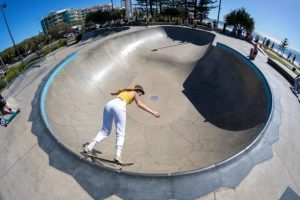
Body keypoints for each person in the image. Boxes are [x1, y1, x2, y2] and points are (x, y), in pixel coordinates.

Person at [83, 85, 160, 163]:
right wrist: (153, 112)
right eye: (141, 93)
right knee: (121, 133)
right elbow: (139, 104)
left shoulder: (125, 91)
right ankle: (118, 156)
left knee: (105, 131)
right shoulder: (134, 93)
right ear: (138, 90)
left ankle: (89, 147)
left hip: (109, 104)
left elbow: (114, 93)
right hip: (119, 106)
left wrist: (113, 93)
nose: (140, 95)